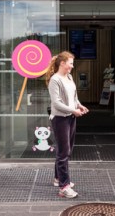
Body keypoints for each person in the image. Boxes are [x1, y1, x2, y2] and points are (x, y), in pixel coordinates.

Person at [46, 50, 88, 199]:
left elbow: (73, 96)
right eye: (70, 63)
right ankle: (64, 187)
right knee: (64, 153)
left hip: (70, 117)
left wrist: (79, 105)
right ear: (62, 63)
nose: (72, 66)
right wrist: (73, 110)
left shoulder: (69, 77)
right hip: (60, 119)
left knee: (66, 150)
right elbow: (56, 103)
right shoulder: (55, 80)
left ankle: (58, 179)